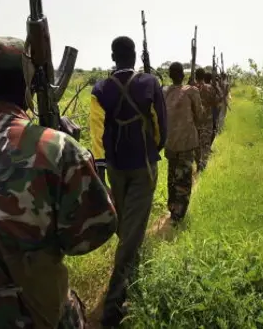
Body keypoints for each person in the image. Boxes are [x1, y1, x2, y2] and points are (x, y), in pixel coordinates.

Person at [0, 37, 118, 329]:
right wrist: (78, 158)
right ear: (30, 86)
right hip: (33, 311)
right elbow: (91, 235)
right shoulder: (58, 148)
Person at [89, 36, 167, 327]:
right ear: (134, 56)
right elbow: (161, 124)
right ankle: (114, 304)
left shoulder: (100, 88)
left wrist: (102, 163)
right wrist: (153, 147)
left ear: (113, 56)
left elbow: (96, 131)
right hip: (143, 164)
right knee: (131, 231)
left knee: (127, 226)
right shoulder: (150, 83)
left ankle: (131, 274)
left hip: (115, 168)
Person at [163, 62, 203, 223]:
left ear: (170, 75)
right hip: (186, 143)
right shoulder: (192, 91)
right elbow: (199, 115)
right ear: (183, 75)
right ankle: (178, 215)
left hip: (170, 142)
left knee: (172, 176)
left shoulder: (164, 91)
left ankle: (172, 208)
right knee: (184, 179)